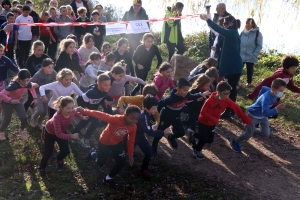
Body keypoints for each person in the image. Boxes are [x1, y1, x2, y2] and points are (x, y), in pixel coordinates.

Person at [78, 105, 140, 189]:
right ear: (125, 115)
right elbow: (100, 114)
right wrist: (83, 111)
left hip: (117, 143)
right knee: (100, 163)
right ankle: (92, 153)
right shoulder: (115, 119)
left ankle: (108, 178)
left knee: (122, 162)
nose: (134, 121)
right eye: (132, 118)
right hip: (104, 142)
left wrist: (130, 154)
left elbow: (131, 141)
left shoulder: (134, 127)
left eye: (136, 119)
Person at [189, 81, 251, 160]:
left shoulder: (226, 100)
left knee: (209, 140)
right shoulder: (209, 101)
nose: (227, 96)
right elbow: (203, 113)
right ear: (218, 92)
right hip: (203, 122)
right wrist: (214, 119)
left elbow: (236, 108)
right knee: (203, 140)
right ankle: (197, 151)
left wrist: (247, 120)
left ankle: (193, 134)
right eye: (225, 94)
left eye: (228, 93)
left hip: (212, 123)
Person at [200, 14, 243, 118]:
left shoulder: (232, 32)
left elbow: (218, 29)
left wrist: (208, 20)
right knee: (230, 89)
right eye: (223, 23)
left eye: (225, 23)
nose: (224, 25)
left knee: (231, 90)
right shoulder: (232, 33)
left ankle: (229, 111)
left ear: (231, 23)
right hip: (233, 66)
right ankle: (229, 110)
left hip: (234, 66)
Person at [231, 79, 286, 153]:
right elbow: (266, 112)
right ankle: (235, 142)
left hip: (262, 117)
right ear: (273, 89)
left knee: (266, 134)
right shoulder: (266, 98)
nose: (281, 93)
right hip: (253, 115)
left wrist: (258, 98)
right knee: (248, 135)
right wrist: (277, 109)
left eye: (282, 91)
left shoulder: (273, 93)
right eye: (280, 90)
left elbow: (263, 87)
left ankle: (250, 129)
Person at [151, 78, 203, 154]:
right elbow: (159, 105)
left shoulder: (186, 94)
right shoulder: (170, 99)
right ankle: (154, 147)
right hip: (166, 118)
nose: (186, 92)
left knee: (181, 132)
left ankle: (171, 137)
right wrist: (157, 117)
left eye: (187, 90)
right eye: (184, 90)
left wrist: (200, 94)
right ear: (178, 89)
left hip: (176, 117)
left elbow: (191, 96)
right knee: (159, 134)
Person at [38, 96, 87, 176]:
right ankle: (42, 167)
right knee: (48, 153)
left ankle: (59, 158)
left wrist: (82, 117)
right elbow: (58, 134)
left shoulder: (72, 111)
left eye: (72, 107)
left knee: (66, 151)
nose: (71, 110)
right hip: (50, 132)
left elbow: (75, 113)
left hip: (62, 131)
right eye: (68, 108)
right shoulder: (57, 118)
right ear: (61, 108)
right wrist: (71, 136)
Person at [131, 95, 170, 178]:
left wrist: (154, 125)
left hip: (139, 135)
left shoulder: (147, 113)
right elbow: (149, 132)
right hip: (132, 136)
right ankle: (110, 155)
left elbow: (149, 124)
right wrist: (163, 132)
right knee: (124, 149)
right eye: (153, 108)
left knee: (149, 152)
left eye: (156, 108)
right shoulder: (143, 116)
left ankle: (144, 170)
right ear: (146, 107)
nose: (155, 110)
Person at [74, 74, 111, 148]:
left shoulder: (104, 91)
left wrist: (105, 100)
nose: (108, 87)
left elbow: (100, 98)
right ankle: (86, 138)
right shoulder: (91, 92)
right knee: (95, 122)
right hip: (86, 109)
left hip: (93, 110)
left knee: (84, 122)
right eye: (105, 85)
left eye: (109, 85)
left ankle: (73, 134)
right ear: (99, 85)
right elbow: (79, 100)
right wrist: (85, 108)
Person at [0, 69, 37, 140]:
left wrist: (35, 98)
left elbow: (31, 87)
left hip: (18, 101)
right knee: (7, 120)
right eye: (23, 81)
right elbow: (1, 94)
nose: (26, 83)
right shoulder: (13, 85)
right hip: (7, 103)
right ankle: (1, 131)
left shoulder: (28, 83)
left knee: (24, 117)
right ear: (19, 79)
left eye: (28, 80)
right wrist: (10, 100)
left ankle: (22, 130)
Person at [29, 58, 57, 130]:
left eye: (52, 67)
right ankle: (33, 118)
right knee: (41, 110)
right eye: (49, 67)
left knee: (45, 111)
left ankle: (39, 123)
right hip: (38, 93)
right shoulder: (39, 74)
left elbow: (59, 78)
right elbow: (30, 82)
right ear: (43, 67)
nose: (51, 69)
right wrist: (34, 83)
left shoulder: (53, 73)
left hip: (47, 93)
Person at [23, 40, 49, 113]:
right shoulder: (30, 59)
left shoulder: (45, 57)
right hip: (33, 81)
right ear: (34, 49)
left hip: (43, 80)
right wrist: (28, 81)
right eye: (39, 50)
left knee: (42, 96)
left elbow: (51, 65)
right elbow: (26, 71)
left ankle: (37, 108)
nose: (41, 52)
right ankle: (23, 112)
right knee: (31, 98)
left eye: (42, 50)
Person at [240, 18, 263, 87]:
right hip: (241, 54)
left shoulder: (257, 33)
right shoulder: (242, 32)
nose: (247, 25)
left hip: (251, 55)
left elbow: (259, 45)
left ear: (252, 24)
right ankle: (237, 80)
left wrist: (255, 54)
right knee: (239, 68)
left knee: (249, 69)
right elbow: (238, 42)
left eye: (249, 23)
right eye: (246, 23)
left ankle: (249, 82)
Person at [0, 44, 19, 120]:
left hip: (2, 83)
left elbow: (14, 68)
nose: (0, 52)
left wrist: (22, 73)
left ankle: (0, 114)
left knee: (1, 99)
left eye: (1, 51)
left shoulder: (5, 60)